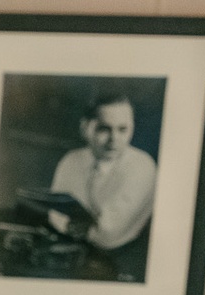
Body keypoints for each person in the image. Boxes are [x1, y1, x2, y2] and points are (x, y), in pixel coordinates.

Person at [46, 91, 157, 282]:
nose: (114, 139)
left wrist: (76, 224)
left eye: (123, 129)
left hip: (120, 265)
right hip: (70, 256)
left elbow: (109, 234)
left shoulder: (142, 166)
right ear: (86, 128)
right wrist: (88, 223)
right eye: (104, 129)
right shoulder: (71, 160)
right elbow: (55, 215)